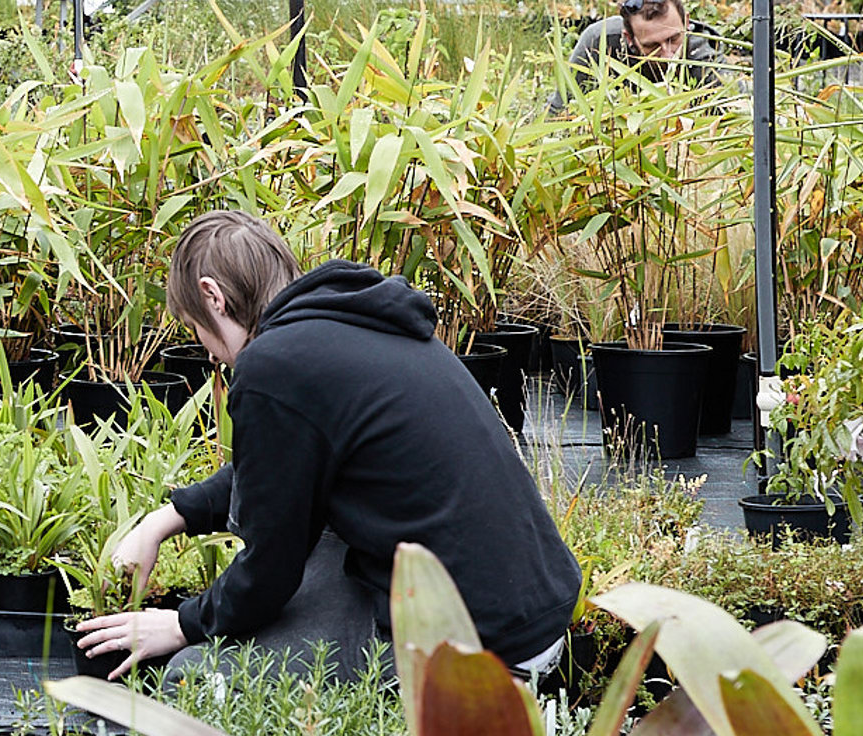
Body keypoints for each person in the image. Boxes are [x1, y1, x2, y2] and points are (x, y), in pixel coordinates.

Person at [73, 211, 580, 684]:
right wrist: (170, 516)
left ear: (213, 297)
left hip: (478, 645)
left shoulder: (274, 366)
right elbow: (281, 470)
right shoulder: (349, 324)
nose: (206, 349)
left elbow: (271, 565)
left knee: (198, 675)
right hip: (525, 605)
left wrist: (183, 625)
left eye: (194, 327)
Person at [566, 0, 726, 89]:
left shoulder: (703, 54)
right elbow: (558, 113)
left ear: (686, 22)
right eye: (652, 46)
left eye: (674, 39)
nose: (668, 55)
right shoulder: (598, 43)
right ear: (629, 39)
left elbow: (741, 106)